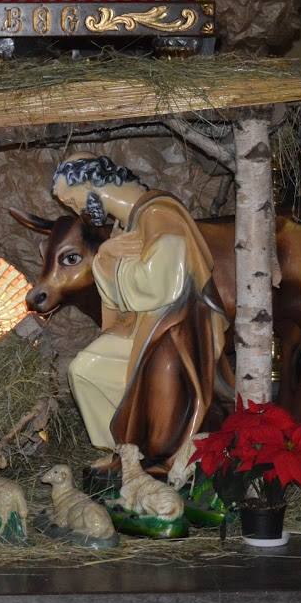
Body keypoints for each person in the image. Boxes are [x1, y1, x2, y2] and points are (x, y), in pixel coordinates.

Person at [51, 153, 228, 471]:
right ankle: (124, 454)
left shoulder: (159, 216)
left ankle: (151, 455)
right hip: (144, 327)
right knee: (84, 370)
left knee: (92, 372)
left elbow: (158, 285)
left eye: (73, 200)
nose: (76, 210)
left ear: (90, 184)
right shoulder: (127, 223)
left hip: (174, 332)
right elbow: (120, 296)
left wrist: (111, 261)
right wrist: (108, 258)